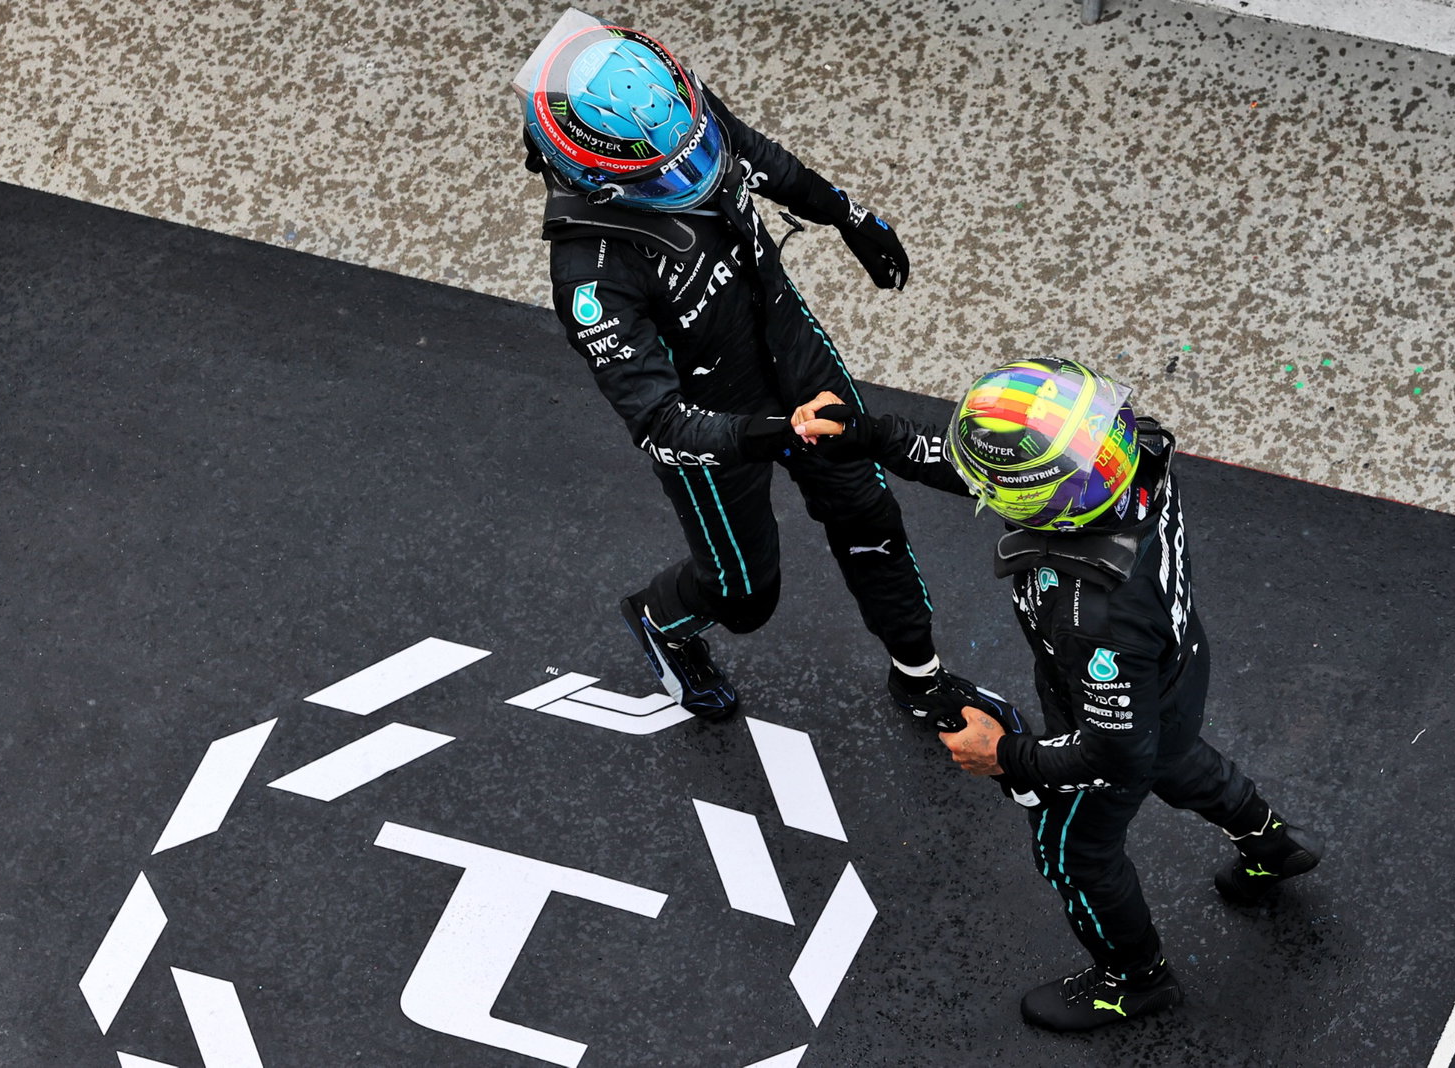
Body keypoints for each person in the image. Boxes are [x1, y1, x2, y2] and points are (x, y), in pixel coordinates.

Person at [791, 358, 1326, 1031]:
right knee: (1178, 754)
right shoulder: (1133, 450)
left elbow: (1113, 753)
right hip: (1175, 670)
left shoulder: (1092, 613)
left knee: (1075, 855)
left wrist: (1009, 754)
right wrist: (869, 434)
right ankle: (1271, 843)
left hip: (1109, 704)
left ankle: (1135, 981)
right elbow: (1002, 473)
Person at [512, 10, 982, 728]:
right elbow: (658, 424)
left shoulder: (672, 113)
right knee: (745, 597)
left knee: (868, 513)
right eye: (666, 171)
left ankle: (919, 678)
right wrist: (774, 433)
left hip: (788, 349)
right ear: (596, 179)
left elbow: (753, 154)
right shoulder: (590, 278)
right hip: (718, 427)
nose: (693, 171)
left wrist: (848, 216)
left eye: (693, 150)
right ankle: (659, 620)